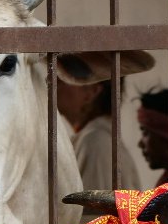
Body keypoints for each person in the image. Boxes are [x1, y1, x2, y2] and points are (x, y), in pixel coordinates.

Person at [56, 51, 155, 190]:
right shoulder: (95, 137)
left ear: (92, 92)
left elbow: (94, 211)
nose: (53, 81)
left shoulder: (95, 141)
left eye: (65, 78)